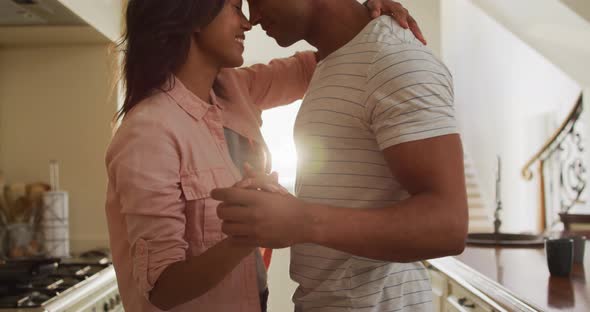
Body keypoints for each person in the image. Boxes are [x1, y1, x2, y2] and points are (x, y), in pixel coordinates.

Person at [104, 0, 421, 311]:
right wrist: (249, 233)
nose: (247, 23)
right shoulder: (148, 132)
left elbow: (318, 64)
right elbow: (161, 289)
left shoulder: (233, 90)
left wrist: (367, 16)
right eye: (235, 8)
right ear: (194, 14)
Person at [213, 0, 469, 311]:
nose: (253, 19)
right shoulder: (336, 59)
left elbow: (448, 226)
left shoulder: (394, 59)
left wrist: (301, 220)